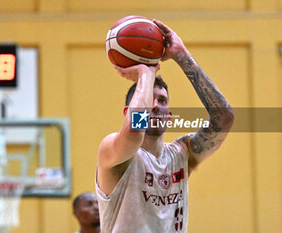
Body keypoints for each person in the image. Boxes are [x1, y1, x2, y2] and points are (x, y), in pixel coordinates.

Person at [96, 19, 234, 233]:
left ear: (169, 116)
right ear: (127, 111)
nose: (155, 105)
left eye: (162, 100)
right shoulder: (112, 151)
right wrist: (145, 74)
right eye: (149, 98)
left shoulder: (182, 154)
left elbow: (224, 117)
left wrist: (181, 55)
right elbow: (134, 130)